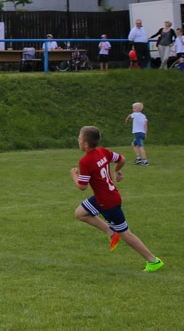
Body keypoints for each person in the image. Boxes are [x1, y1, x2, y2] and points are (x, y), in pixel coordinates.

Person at [70, 125, 163, 272]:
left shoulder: (85, 161)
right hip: (106, 196)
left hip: (108, 203)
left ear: (86, 144)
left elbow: (82, 186)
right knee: (80, 213)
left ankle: (153, 261)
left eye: (79, 139)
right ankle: (111, 233)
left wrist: (74, 175)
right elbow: (122, 159)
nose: (78, 141)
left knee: (125, 233)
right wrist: (117, 170)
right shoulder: (103, 151)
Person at [126, 102, 148, 166]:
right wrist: (145, 133)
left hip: (137, 133)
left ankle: (145, 161)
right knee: (133, 144)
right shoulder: (143, 116)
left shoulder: (135, 114)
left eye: (134, 108)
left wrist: (127, 120)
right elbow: (145, 125)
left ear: (139, 109)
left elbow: (130, 115)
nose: (133, 109)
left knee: (141, 146)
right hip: (142, 133)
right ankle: (138, 158)